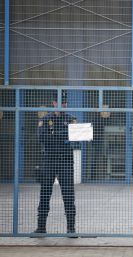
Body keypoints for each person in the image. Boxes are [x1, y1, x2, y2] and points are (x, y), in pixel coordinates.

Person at [34, 94, 77, 236]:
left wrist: (54, 134)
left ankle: (71, 229)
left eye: (64, 102)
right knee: (45, 194)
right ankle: (41, 227)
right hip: (49, 161)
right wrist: (64, 135)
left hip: (65, 161)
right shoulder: (45, 119)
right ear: (53, 103)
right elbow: (42, 138)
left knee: (69, 195)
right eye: (59, 102)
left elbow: (76, 138)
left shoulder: (71, 119)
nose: (62, 105)